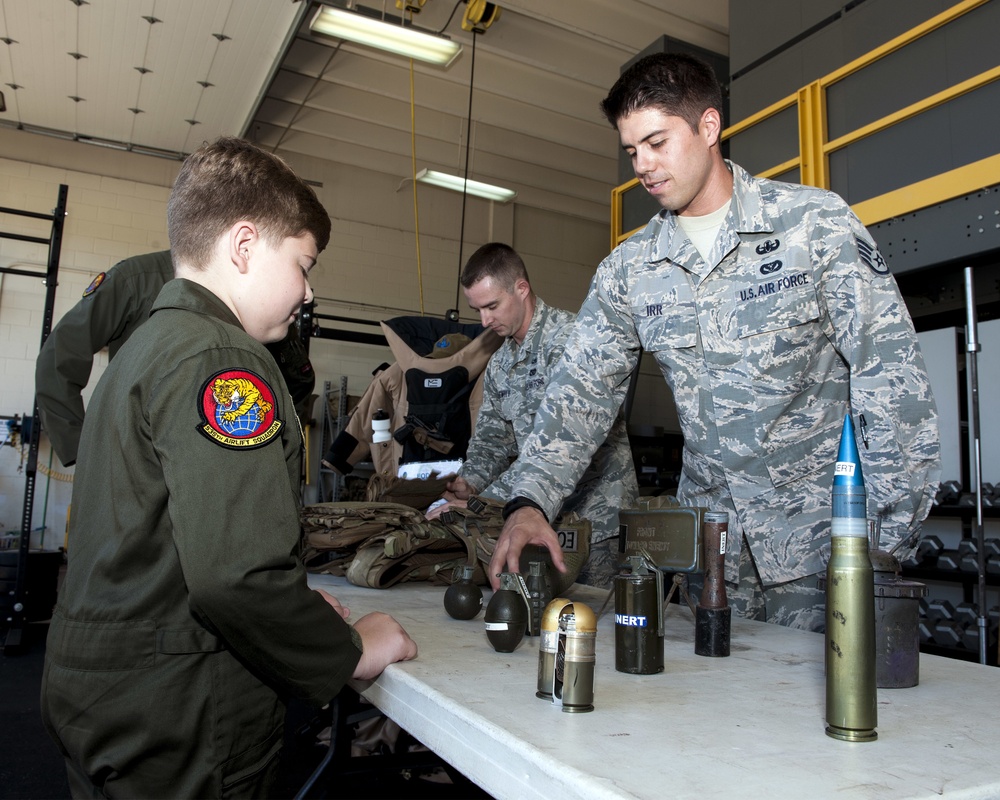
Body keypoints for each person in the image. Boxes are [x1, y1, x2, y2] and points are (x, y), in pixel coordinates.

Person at [489, 53, 941, 632]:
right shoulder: (630, 270)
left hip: (822, 550)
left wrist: (882, 542)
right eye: (631, 151)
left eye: (656, 143)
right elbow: (577, 397)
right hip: (711, 554)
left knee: (820, 715)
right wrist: (528, 501)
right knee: (713, 717)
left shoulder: (813, 226)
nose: (643, 167)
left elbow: (893, 382)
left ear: (708, 127)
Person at [40, 136, 417, 799]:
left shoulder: (146, 347)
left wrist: (290, 609)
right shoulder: (222, 358)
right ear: (244, 247)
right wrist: (351, 651)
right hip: (177, 706)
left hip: (106, 685)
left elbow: (165, 544)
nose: (307, 290)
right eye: (303, 264)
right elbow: (233, 577)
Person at [426, 242, 637, 588]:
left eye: (492, 306)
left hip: (596, 520)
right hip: (537, 519)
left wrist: (482, 504)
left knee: (595, 624)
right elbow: (491, 441)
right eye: (477, 309)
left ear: (521, 289)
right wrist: (468, 484)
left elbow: (562, 443)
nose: (484, 320)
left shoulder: (573, 343)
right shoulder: (500, 364)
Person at [35, 249, 316, 467]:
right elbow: (58, 359)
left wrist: (268, 451)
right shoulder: (136, 280)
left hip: (220, 467)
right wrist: (82, 452)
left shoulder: (256, 295)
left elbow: (298, 379)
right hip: (140, 459)